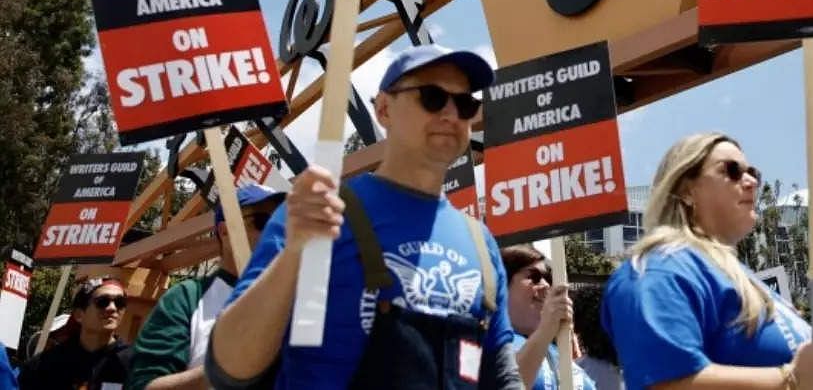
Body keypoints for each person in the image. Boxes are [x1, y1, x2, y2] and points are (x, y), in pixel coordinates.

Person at [206, 44, 525, 389]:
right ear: (384, 109)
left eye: (465, 104)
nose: (451, 113)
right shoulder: (320, 213)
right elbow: (229, 367)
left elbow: (499, 372)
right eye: (432, 97)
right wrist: (295, 252)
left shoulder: (481, 243)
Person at [601, 133, 813, 389]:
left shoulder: (744, 279)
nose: (751, 181)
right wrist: (791, 378)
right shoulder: (660, 269)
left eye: (753, 172)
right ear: (687, 189)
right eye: (732, 170)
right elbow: (665, 382)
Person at [128, 184, 286, 390]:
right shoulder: (187, 298)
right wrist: (226, 369)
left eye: (282, 222)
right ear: (225, 231)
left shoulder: (301, 302)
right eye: (263, 221)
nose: (276, 231)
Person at [500, 245, 595, 390]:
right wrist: (546, 330)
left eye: (547, 278)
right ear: (502, 285)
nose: (545, 285)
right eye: (534, 277)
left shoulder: (555, 351)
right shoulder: (488, 345)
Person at [19, 277, 132, 389]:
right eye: (103, 302)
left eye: (119, 302)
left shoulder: (134, 363)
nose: (112, 308)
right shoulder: (44, 364)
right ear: (79, 315)